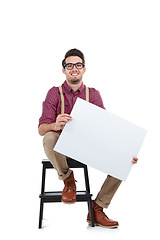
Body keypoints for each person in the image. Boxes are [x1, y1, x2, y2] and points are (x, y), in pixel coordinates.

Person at [38, 48, 138, 228]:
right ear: (64, 70)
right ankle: (68, 180)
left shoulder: (93, 94)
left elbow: (106, 128)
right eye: (69, 65)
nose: (74, 68)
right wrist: (55, 125)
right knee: (49, 137)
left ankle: (97, 208)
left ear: (84, 69)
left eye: (78, 65)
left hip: (87, 148)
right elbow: (41, 129)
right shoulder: (54, 93)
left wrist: (124, 150)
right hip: (61, 151)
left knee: (125, 159)